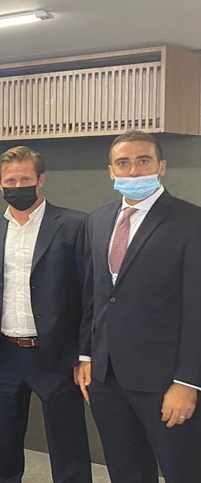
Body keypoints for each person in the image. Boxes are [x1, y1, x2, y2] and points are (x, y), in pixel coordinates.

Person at [76, 130, 201, 482]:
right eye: (123, 163)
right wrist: (87, 355)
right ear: (111, 171)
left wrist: (188, 382)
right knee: (125, 470)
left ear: (161, 166)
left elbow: (197, 308)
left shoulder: (191, 222)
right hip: (106, 378)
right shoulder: (97, 221)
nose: (133, 171)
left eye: (143, 161)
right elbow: (94, 295)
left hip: (165, 380)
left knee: (182, 471)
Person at [0, 146, 91, 482]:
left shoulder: (75, 224)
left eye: (25, 179)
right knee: (2, 441)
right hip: (3, 352)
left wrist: (85, 352)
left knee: (68, 441)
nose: (18, 186)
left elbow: (89, 293)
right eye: (11, 180)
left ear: (41, 180)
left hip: (57, 354)